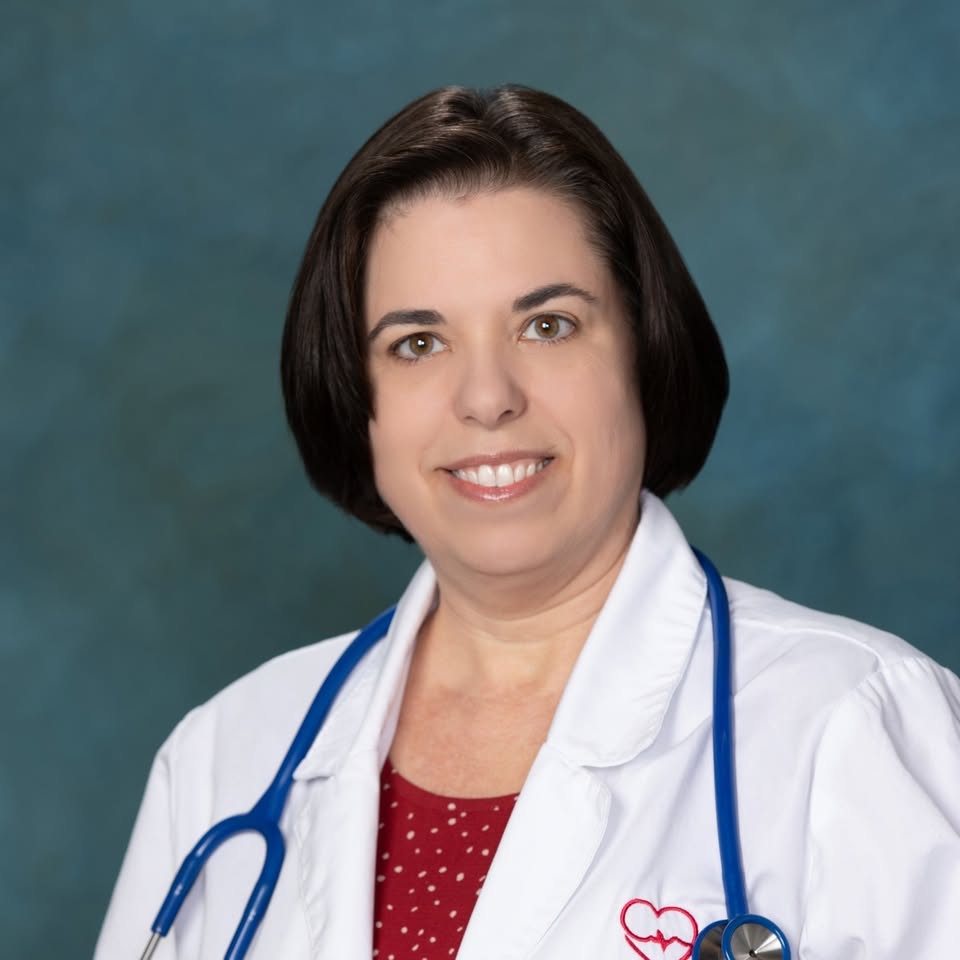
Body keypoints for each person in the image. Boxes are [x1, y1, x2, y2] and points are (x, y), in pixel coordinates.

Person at [95, 85, 960, 959]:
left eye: (548, 326)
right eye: (417, 343)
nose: (487, 398)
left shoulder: (854, 724)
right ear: (358, 402)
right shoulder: (226, 756)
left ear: (644, 351)